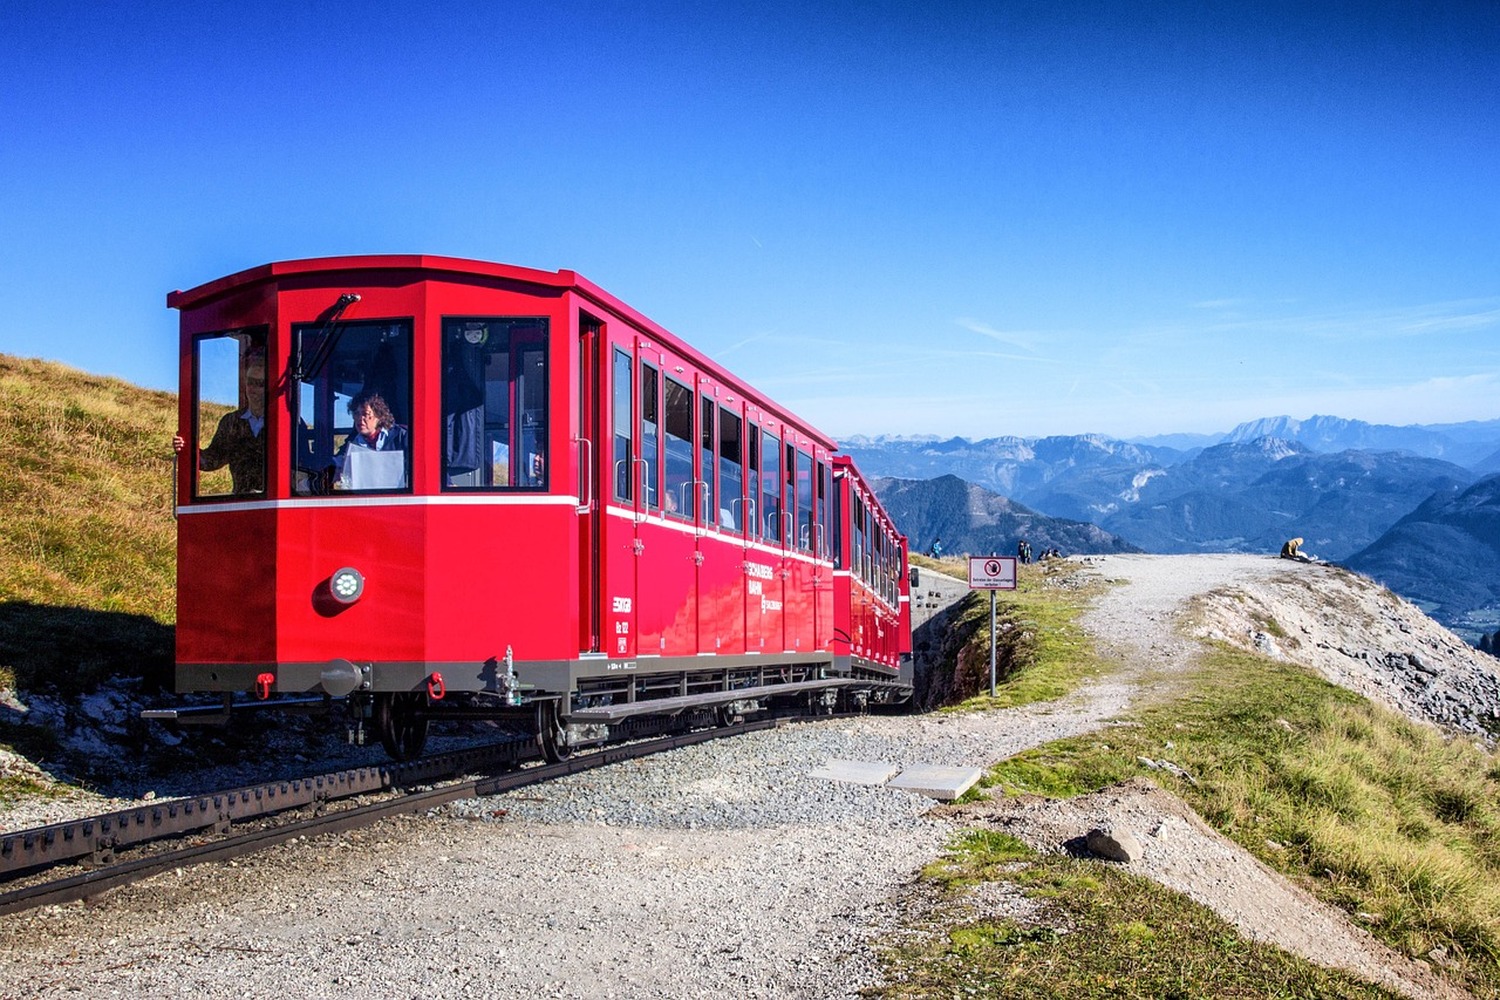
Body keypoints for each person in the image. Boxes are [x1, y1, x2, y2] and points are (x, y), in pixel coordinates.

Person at [173, 348, 266, 495]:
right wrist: (186, 450)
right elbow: (213, 460)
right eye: (250, 382)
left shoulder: (290, 424)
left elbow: (301, 471)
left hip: (277, 506)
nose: (253, 389)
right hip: (241, 504)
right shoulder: (231, 422)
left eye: (260, 384)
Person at [336, 392, 409, 489]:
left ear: (378, 416)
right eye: (356, 414)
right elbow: (336, 466)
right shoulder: (352, 444)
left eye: (366, 414)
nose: (360, 419)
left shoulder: (402, 437)